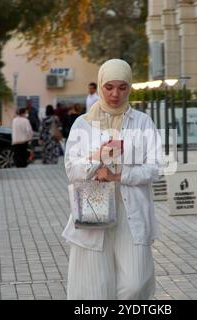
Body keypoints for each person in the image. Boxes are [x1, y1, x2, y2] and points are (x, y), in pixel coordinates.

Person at [62, 59, 163, 300]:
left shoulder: (142, 122)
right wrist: (98, 157)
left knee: (136, 284)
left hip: (131, 211)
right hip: (94, 205)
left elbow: (156, 168)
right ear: (99, 85)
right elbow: (71, 169)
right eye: (109, 87)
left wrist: (119, 176)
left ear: (130, 88)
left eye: (122, 87)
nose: (115, 94)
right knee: (95, 287)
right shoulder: (83, 124)